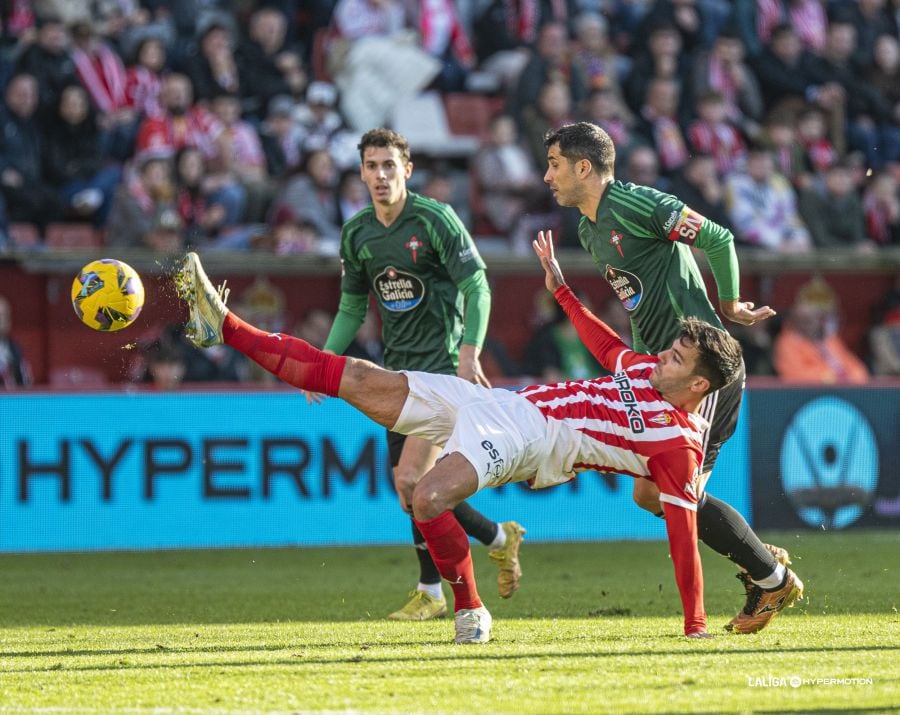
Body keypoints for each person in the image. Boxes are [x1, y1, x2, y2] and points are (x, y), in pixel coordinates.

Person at [175, 234, 790, 644]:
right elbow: (605, 343)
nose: (661, 359)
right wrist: (561, 288)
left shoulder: (676, 445)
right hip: (502, 402)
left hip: (530, 435)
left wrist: (694, 626)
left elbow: (681, 536)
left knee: (426, 496)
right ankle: (222, 325)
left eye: (676, 358)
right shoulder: (642, 369)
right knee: (359, 379)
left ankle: (469, 611)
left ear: (700, 385)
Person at [541, 121, 803, 635]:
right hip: (666, 373)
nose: (547, 175)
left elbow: (718, 237)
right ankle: (759, 562)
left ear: (584, 167)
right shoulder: (589, 229)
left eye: (554, 164)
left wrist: (728, 305)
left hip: (701, 371)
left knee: (671, 492)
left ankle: (768, 577)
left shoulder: (637, 204)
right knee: (650, 495)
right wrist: (642, 370)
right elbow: (640, 307)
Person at [314, 128, 523, 621]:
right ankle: (498, 536)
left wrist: (470, 354)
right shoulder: (358, 232)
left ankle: (431, 592)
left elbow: (477, 285)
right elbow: (350, 308)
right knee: (411, 491)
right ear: (361, 172)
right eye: (371, 166)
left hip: (443, 371)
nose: (381, 175)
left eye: (390, 165)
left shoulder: (434, 219)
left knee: (413, 479)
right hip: (397, 375)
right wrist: (323, 364)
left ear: (407, 170)